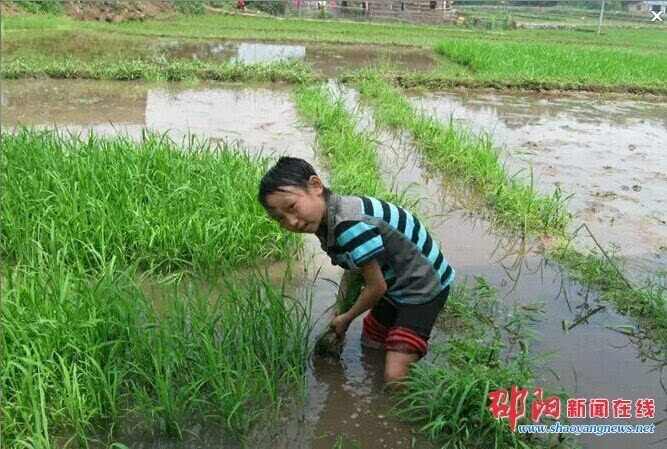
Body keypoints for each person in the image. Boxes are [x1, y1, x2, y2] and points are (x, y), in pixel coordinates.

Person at [258, 157, 455, 388]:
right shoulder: (327, 220)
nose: (291, 221)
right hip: (395, 280)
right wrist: (339, 309)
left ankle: (404, 401)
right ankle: (387, 373)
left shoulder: (348, 225)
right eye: (280, 219)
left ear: (316, 186)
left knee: (394, 376)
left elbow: (376, 287)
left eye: (292, 207)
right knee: (371, 343)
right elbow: (354, 269)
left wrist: (347, 317)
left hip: (423, 286)